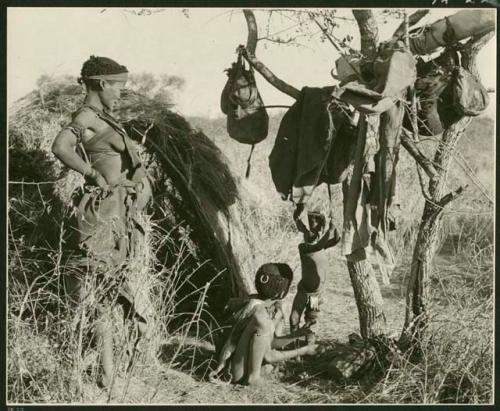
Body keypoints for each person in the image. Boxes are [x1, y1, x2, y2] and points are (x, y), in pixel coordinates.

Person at [51, 56, 153, 389]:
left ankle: (108, 371)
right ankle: (105, 376)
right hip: (102, 214)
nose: (121, 94)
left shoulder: (103, 117)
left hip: (119, 213)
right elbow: (60, 146)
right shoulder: (86, 116)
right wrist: (91, 173)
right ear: (101, 83)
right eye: (119, 87)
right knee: (100, 294)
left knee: (109, 293)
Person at [210, 263, 321, 386]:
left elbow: (270, 342)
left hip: (237, 366)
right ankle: (254, 378)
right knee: (262, 326)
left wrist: (296, 335)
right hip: (233, 371)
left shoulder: (262, 305)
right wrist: (304, 350)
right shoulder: (259, 311)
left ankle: (254, 375)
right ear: (282, 290)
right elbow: (269, 355)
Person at [289, 209, 340, 340]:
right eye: (308, 230)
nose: (312, 232)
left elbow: (336, 239)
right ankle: (293, 343)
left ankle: (308, 348)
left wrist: (335, 225)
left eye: (316, 228)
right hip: (303, 292)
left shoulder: (321, 246)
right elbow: (318, 245)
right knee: (294, 318)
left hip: (315, 295)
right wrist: (329, 230)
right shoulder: (304, 248)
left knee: (311, 321)